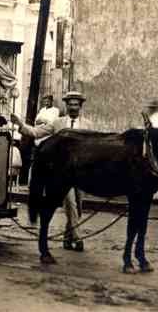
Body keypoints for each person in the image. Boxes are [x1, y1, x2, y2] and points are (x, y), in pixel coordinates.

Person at [11, 91, 93, 252]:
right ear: (66, 105)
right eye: (70, 104)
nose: (73, 107)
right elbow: (36, 132)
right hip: (63, 173)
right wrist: (20, 124)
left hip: (81, 173)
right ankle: (77, 236)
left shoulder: (88, 125)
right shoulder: (58, 123)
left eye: (76, 104)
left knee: (79, 205)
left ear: (80, 106)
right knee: (70, 203)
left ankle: (67, 238)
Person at [144, 98, 158, 201]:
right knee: (153, 171)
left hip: (157, 147)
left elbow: (156, 133)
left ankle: (157, 196)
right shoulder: (155, 116)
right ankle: (156, 195)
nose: (149, 109)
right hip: (155, 146)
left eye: (151, 108)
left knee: (155, 171)